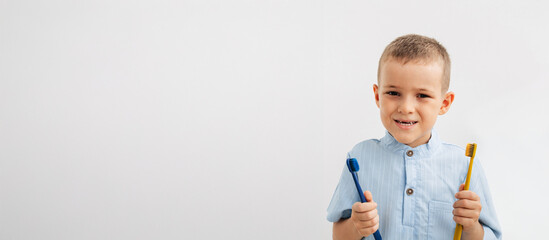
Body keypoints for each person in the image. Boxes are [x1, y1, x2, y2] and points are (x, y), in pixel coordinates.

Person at [327, 34, 502, 240]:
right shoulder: (359, 158)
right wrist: (357, 225)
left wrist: (471, 226)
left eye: (422, 95)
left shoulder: (464, 165)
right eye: (393, 93)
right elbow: (339, 235)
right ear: (377, 96)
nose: (406, 108)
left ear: (444, 103)